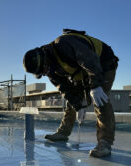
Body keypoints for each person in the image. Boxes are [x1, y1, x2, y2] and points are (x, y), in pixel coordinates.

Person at [23, 29, 119, 158]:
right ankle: (63, 133)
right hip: (82, 70)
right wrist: (78, 105)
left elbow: (89, 59)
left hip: (102, 62)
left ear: (44, 58)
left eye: (44, 69)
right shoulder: (50, 70)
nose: (46, 72)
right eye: (43, 72)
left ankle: (105, 143)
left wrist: (95, 86)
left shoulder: (63, 44)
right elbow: (66, 89)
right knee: (71, 102)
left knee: (100, 100)